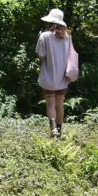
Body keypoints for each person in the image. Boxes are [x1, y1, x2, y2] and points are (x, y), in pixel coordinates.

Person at [36, 8, 71, 139]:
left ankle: (53, 130)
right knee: (59, 105)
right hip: (62, 78)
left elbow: (41, 55)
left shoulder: (44, 36)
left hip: (48, 77)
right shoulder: (67, 37)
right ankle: (60, 131)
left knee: (50, 105)